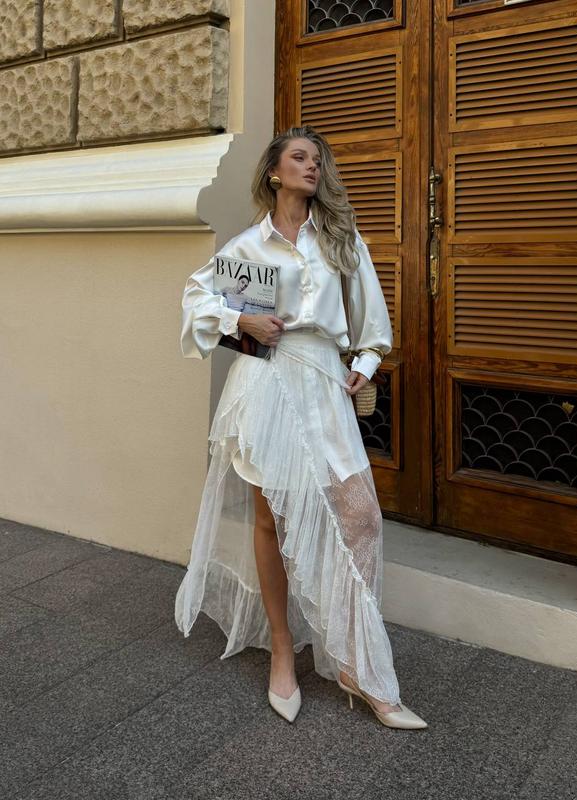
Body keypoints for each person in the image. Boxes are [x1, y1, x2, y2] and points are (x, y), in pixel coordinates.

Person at [174, 125, 427, 730]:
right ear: (274, 172)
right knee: (270, 521)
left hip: (323, 383)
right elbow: (195, 300)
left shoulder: (341, 239)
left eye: (318, 159)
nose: (312, 166)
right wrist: (242, 321)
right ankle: (283, 652)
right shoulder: (248, 245)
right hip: (266, 386)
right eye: (299, 157)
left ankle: (357, 665)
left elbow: (372, 322)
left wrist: (366, 364)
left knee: (361, 519)